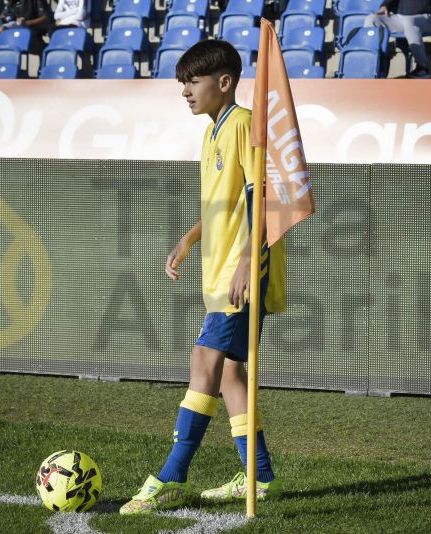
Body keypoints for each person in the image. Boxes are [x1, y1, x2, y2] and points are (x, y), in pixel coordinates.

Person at [119, 39, 285, 515]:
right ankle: (260, 477)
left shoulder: (244, 124)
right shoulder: (214, 130)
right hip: (222, 270)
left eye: (193, 82)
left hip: (241, 270)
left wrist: (247, 261)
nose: (186, 92)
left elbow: (264, 199)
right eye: (183, 84)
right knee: (231, 372)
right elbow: (224, 204)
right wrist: (190, 238)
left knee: (204, 360)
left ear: (224, 82)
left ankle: (171, 476)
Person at [365, 0, 431, 78]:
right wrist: (385, 5)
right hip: (402, 17)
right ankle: (375, 63)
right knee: (372, 19)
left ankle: (423, 68)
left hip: (428, 18)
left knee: (409, 21)